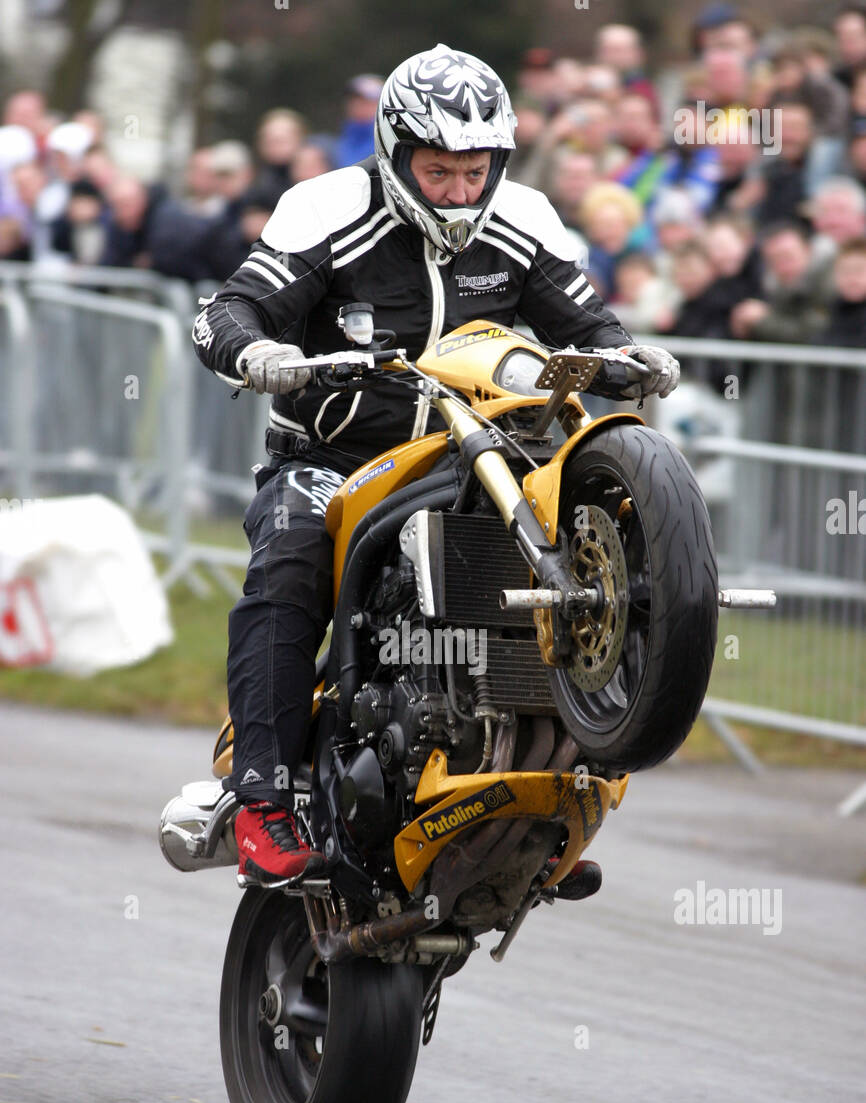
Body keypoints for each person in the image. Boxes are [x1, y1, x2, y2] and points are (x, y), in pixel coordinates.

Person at [192, 44, 680, 885]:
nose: (459, 190)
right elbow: (224, 309)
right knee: (289, 556)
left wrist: (627, 356)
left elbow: (588, 324)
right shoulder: (325, 209)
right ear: (394, 153)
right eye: (439, 170)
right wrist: (257, 350)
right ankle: (261, 799)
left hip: (473, 456)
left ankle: (561, 790)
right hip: (334, 457)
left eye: (475, 170)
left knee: (578, 550)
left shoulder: (522, 219)